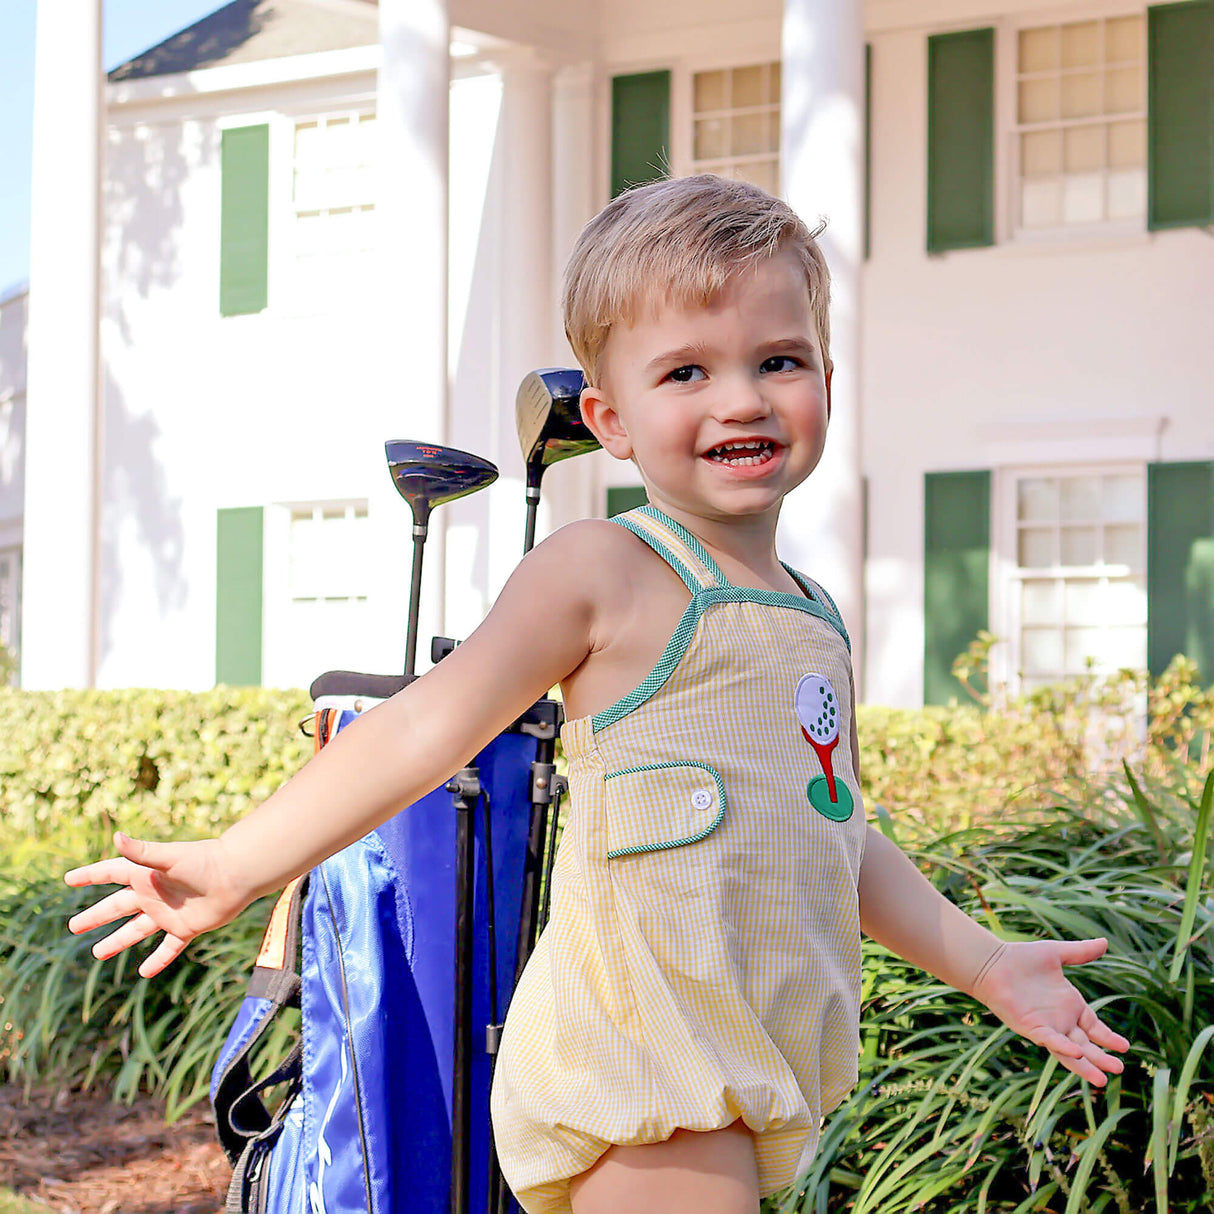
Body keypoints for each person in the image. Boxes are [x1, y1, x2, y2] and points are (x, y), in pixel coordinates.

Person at [65, 174, 1129, 1214]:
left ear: (826, 382)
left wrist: (985, 961)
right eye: (685, 373)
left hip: (748, 1063)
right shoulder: (601, 569)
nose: (740, 397)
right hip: (642, 1067)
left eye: (777, 360)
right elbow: (421, 729)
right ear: (609, 418)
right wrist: (236, 863)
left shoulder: (810, 615)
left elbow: (837, 829)